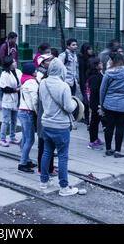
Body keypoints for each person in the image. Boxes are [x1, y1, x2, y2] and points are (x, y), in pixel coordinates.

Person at [39, 58, 79, 196]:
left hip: (46, 123)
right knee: (62, 156)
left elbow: (41, 101)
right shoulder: (64, 86)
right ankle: (64, 187)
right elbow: (68, 107)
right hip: (61, 126)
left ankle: (44, 182)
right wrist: (75, 103)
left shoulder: (43, 83)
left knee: (47, 152)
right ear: (62, 70)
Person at [100, 52, 124, 158]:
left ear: (112, 61)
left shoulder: (108, 73)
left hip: (109, 104)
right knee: (120, 127)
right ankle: (118, 151)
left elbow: (103, 90)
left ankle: (108, 149)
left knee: (109, 127)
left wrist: (101, 103)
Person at [36, 54, 57, 177]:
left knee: (50, 145)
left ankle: (50, 168)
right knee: (43, 145)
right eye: (48, 60)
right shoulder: (42, 80)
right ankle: (42, 168)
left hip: (49, 117)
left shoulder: (49, 79)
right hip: (44, 116)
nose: (51, 62)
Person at [17, 63, 39, 173]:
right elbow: (34, 100)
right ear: (31, 71)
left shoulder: (25, 80)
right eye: (35, 70)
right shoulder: (32, 83)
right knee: (30, 139)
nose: (36, 71)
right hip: (27, 113)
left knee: (26, 138)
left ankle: (27, 159)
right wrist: (38, 112)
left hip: (22, 111)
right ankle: (22, 163)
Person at [0, 56, 22, 147]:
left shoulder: (18, 72)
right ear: (9, 64)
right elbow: (4, 88)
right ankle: (2, 139)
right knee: (6, 120)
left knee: (14, 120)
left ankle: (12, 136)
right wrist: (15, 90)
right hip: (8, 100)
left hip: (17, 99)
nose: (15, 62)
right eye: (13, 62)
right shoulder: (4, 74)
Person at [87, 57, 104, 150]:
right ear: (96, 66)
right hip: (96, 103)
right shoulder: (94, 77)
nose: (102, 64)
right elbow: (95, 90)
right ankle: (92, 141)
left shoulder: (98, 74)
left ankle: (96, 138)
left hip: (97, 102)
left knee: (96, 122)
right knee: (94, 122)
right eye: (100, 63)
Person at [78, 43, 95, 125]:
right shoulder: (82, 59)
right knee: (86, 101)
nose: (91, 51)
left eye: (91, 49)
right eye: (89, 49)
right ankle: (87, 118)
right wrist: (83, 84)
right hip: (85, 82)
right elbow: (81, 73)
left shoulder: (93, 57)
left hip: (93, 81)